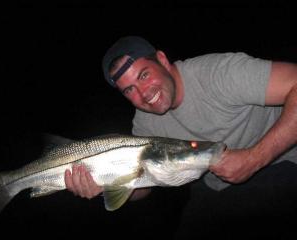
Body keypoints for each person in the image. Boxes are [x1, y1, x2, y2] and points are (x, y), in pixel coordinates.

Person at [64, 36, 297, 238]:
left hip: (282, 159)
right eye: (129, 90)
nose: (144, 94)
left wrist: (254, 158)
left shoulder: (218, 74)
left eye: (144, 75)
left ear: (163, 60)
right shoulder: (144, 123)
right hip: (216, 186)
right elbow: (143, 186)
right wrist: (104, 184)